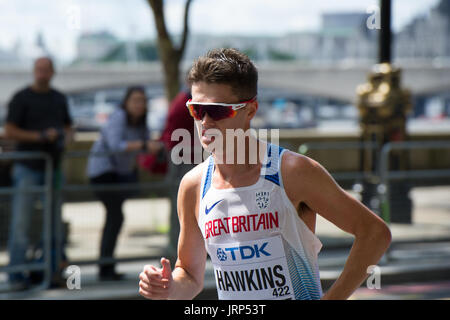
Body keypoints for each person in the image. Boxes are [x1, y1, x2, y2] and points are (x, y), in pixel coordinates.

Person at [138, 48, 392, 300]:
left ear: (250, 110)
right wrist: (169, 287)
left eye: (216, 110)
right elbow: (191, 276)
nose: (204, 122)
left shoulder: (293, 172)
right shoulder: (193, 186)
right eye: (196, 109)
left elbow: (375, 233)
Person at [4, 56, 73, 290]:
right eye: (39, 69)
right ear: (34, 71)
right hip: (27, 168)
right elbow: (9, 130)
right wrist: (39, 137)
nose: (42, 73)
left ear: (52, 72)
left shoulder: (59, 98)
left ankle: (50, 272)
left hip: (53, 168)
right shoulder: (21, 98)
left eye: (46, 70)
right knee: (21, 224)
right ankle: (15, 276)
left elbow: (68, 127)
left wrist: (63, 137)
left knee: (53, 225)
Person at [87, 86, 161, 281]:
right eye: (135, 100)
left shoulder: (140, 122)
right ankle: (105, 267)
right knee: (115, 216)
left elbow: (146, 144)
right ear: (126, 102)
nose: (139, 105)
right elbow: (115, 146)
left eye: (142, 101)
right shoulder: (119, 116)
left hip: (119, 173)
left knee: (115, 217)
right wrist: (144, 145)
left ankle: (107, 266)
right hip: (102, 172)